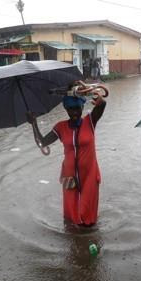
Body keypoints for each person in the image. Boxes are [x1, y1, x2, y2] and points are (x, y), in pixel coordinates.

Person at [26, 91, 106, 226]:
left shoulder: (90, 121)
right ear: (66, 109)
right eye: (70, 109)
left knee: (88, 217)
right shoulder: (61, 127)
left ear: (82, 107)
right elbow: (42, 142)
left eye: (77, 108)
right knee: (71, 216)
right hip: (69, 177)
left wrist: (99, 98)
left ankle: (87, 237)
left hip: (89, 175)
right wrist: (33, 124)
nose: (74, 113)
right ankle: (73, 240)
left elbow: (102, 105)